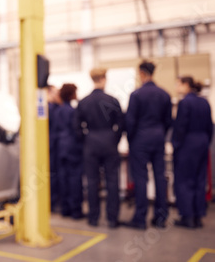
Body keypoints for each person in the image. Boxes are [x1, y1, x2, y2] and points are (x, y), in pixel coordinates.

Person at [123, 60, 172, 229]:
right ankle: (160, 217)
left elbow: (130, 122)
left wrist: (131, 140)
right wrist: (161, 135)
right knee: (159, 177)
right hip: (158, 139)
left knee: (141, 178)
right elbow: (168, 121)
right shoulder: (164, 94)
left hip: (140, 141)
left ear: (141, 73)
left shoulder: (136, 95)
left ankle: (140, 218)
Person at [75, 68, 124, 228]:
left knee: (92, 181)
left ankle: (93, 217)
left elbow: (76, 127)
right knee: (112, 181)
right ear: (104, 79)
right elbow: (121, 124)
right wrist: (114, 139)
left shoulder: (84, 102)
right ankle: (112, 218)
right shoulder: (112, 100)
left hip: (91, 143)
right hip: (109, 142)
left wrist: (86, 140)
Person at [172, 76, 213, 228]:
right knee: (199, 180)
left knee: (184, 180)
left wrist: (175, 145)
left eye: (178, 84)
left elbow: (180, 127)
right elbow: (210, 126)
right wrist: (205, 142)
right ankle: (198, 215)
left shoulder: (185, 103)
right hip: (202, 143)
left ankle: (187, 216)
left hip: (188, 144)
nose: (177, 87)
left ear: (186, 85)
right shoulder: (204, 102)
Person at [53, 83, 84, 219]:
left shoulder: (57, 111)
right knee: (75, 179)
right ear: (71, 94)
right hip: (72, 147)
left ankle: (65, 208)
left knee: (63, 178)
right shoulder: (73, 111)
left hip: (60, 147)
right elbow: (76, 130)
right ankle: (75, 210)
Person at [47, 85, 61, 212]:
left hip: (53, 146)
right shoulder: (49, 108)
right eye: (55, 93)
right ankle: (51, 202)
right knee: (51, 175)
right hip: (51, 147)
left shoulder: (55, 108)